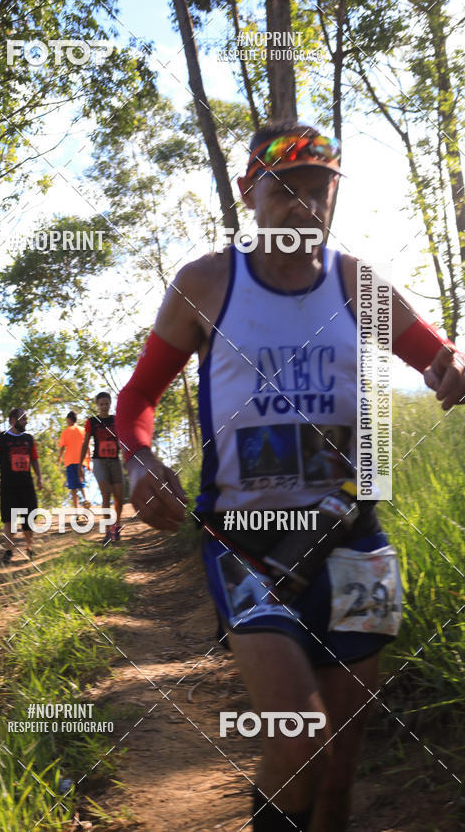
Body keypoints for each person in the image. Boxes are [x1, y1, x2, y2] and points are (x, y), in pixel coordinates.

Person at [115, 120, 465, 832]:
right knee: (300, 736)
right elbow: (138, 397)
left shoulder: (356, 281)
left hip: (355, 538)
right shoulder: (208, 283)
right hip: (247, 541)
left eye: (318, 191)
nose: (303, 207)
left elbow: (436, 353)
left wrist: (451, 364)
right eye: (284, 190)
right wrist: (140, 458)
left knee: (341, 764)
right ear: (250, 195)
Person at [0, 408, 43, 562]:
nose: (26, 421)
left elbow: (34, 459)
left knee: (29, 517)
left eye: (26, 418)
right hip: (8, 486)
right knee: (9, 519)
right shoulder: (0, 438)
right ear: (13, 420)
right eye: (23, 419)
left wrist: (39, 477)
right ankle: (8, 551)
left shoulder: (29, 439)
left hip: (27, 485)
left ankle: (30, 548)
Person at [80, 392, 123, 543]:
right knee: (106, 494)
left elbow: (123, 439)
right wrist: (80, 464)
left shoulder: (116, 420)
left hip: (115, 461)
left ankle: (116, 526)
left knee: (119, 496)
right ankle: (107, 531)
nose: (104, 406)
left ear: (110, 404)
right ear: (97, 405)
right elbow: (85, 443)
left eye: (106, 404)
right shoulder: (92, 422)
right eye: (101, 404)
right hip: (99, 461)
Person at [58, 411, 91, 509]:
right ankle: (86, 499)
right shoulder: (83, 430)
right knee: (81, 484)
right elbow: (88, 447)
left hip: (70, 462)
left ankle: (76, 509)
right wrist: (89, 461)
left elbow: (62, 447)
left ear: (69, 419)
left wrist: (59, 458)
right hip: (81, 461)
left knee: (73, 487)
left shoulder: (65, 432)